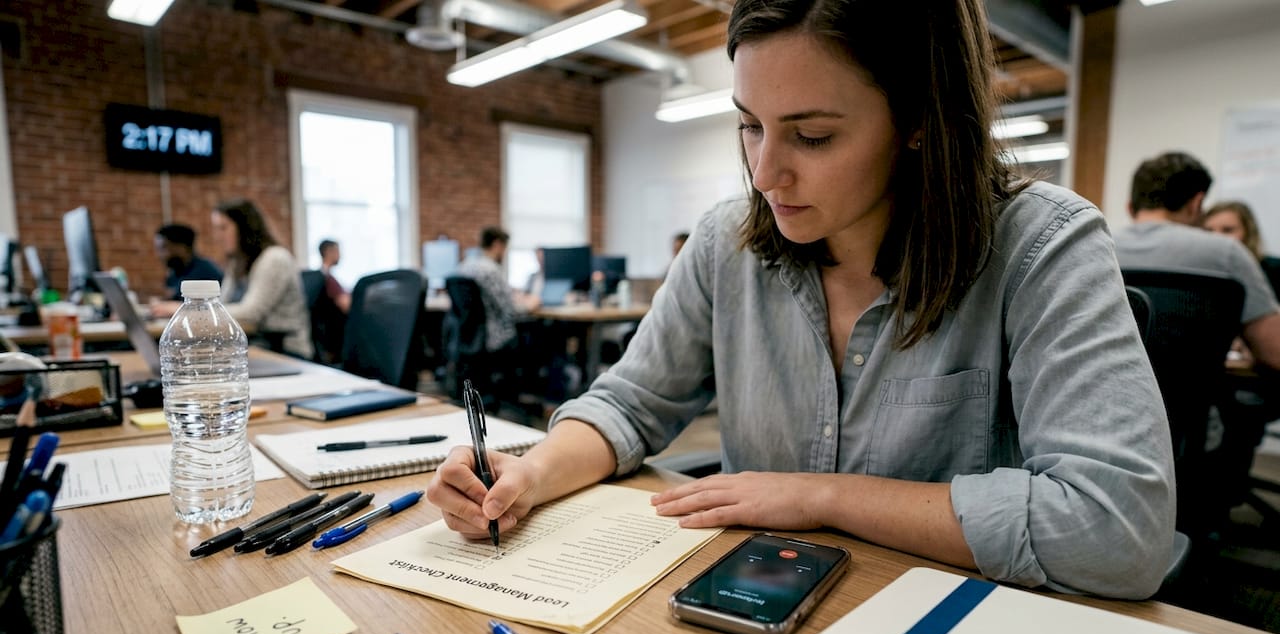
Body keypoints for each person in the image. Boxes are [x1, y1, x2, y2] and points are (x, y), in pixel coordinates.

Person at [428, 0, 1175, 599]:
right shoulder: (728, 244)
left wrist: (822, 496)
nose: (763, 174)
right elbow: (630, 404)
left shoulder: (1044, 246)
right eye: (750, 126)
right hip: (759, 609)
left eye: (811, 136)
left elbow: (1118, 533)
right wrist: (530, 472)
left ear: (919, 119)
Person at [1113, 152, 1280, 370]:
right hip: (1190, 401)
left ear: (1130, 207)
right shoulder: (1227, 252)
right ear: (1197, 203)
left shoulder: (1101, 247)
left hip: (1105, 398)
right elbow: (1274, 352)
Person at [152, 199, 312, 359]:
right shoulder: (237, 263)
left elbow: (250, 313)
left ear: (245, 228)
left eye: (223, 228)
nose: (218, 236)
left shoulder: (274, 258)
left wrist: (184, 310)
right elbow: (221, 304)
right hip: (254, 346)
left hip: (285, 352)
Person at [454, 226, 538, 354]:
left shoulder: (463, 267)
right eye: (505, 248)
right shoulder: (491, 271)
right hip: (494, 338)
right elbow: (510, 310)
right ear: (497, 245)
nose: (504, 253)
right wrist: (530, 305)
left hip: (467, 336)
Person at [154, 223, 222, 300]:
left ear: (182, 247)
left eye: (163, 248)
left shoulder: (206, 271)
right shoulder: (174, 274)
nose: (159, 255)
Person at [318, 239, 352, 313]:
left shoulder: (324, 276)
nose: (340, 255)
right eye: (337, 251)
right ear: (329, 252)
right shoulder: (327, 279)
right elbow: (346, 305)